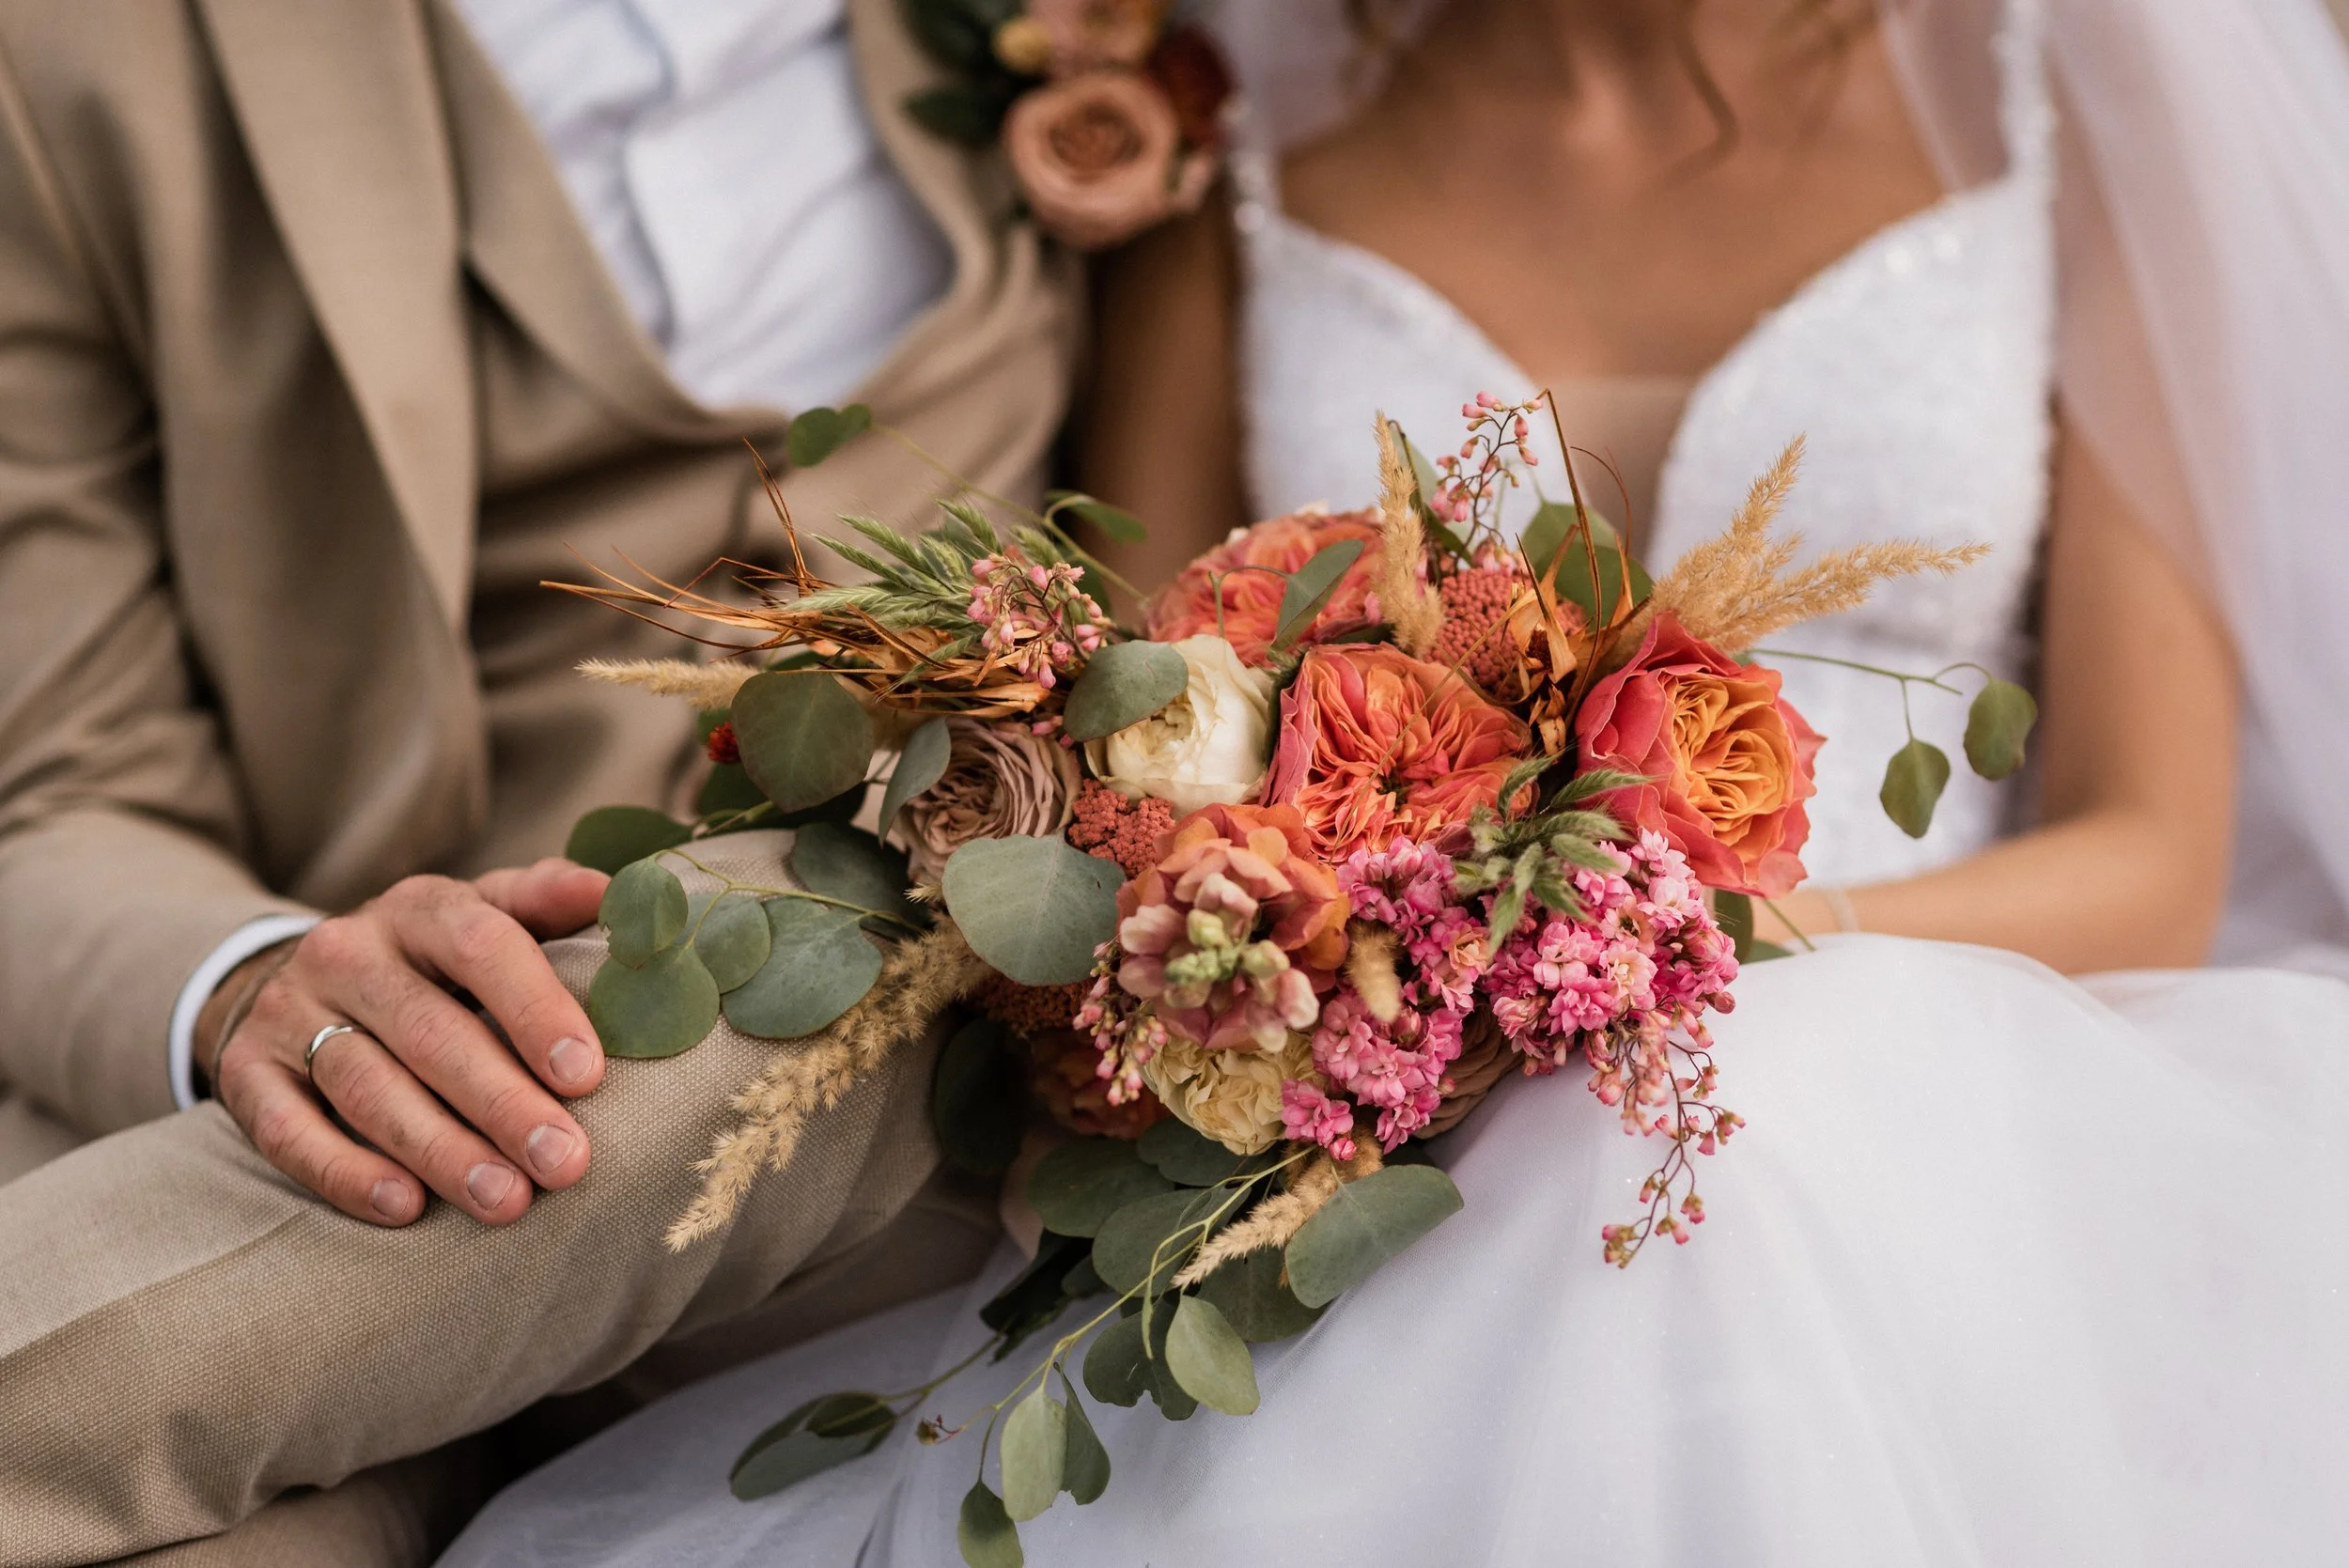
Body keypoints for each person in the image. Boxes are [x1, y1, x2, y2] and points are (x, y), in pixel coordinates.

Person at [431, 0, 2349, 1562]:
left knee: (1734, 1131)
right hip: (1382, 1111)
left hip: (1975, 1075)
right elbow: (1135, 758)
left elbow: (2147, 851)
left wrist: (1641, 961)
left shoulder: (2072, 103)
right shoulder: (1238, 160)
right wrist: (1340, 973)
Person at [0, 0, 1073, 1561]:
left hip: (892, 1116)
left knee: (793, 950)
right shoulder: (67, 53)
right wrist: (254, 989)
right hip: (318, 1135)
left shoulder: (1134, 41)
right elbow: (54, 787)